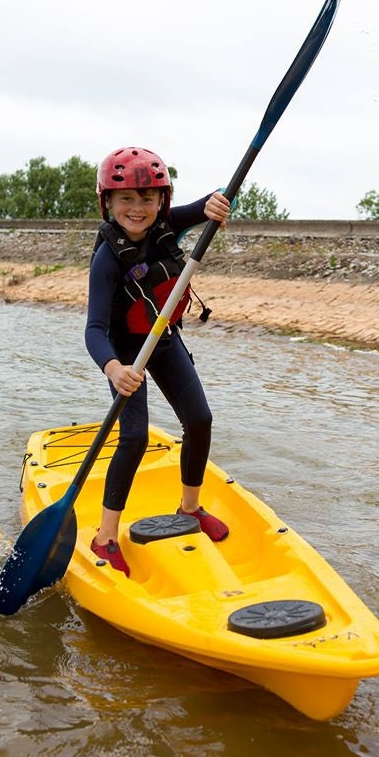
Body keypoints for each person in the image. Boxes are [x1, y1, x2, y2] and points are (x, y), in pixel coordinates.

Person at [84, 146, 231, 575]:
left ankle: (189, 510)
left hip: (163, 338)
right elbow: (93, 329)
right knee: (134, 438)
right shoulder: (107, 258)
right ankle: (106, 536)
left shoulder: (167, 221)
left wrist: (220, 202)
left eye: (147, 198)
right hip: (125, 354)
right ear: (108, 203)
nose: (137, 208)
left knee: (200, 419)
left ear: (160, 201)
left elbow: (211, 201)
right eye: (126, 198)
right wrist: (114, 369)